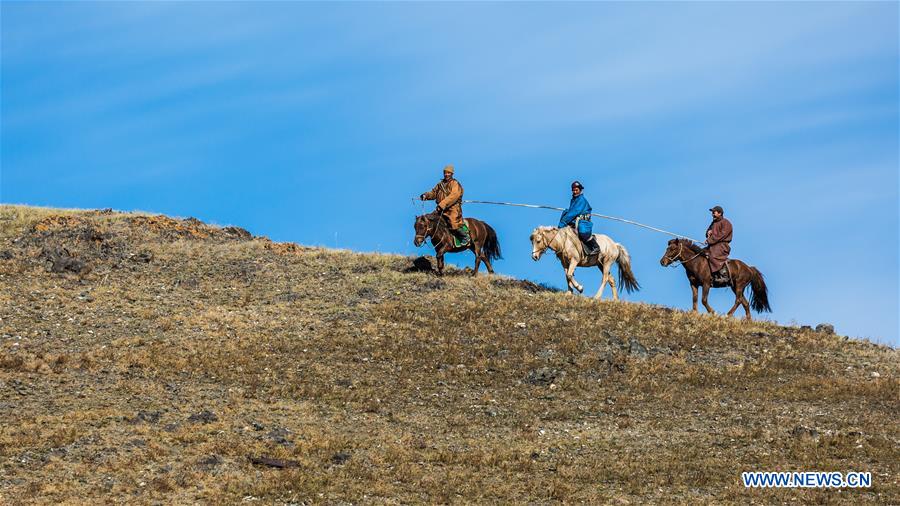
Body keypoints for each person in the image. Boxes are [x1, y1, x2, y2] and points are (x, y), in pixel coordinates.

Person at [420, 164, 469, 247]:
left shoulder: (455, 184)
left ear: (452, 174)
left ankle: (465, 237)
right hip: (441, 208)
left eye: (448, 173)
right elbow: (433, 193)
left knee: (453, 222)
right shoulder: (440, 184)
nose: (446, 174)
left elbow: (454, 196)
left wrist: (442, 205)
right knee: (430, 220)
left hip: (453, 208)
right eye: (445, 173)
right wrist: (426, 195)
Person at [558, 180, 599, 255]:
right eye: (573, 190)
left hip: (583, 223)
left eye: (576, 190)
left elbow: (574, 212)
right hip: (574, 221)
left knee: (583, 234)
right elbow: (571, 212)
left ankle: (595, 247)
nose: (575, 192)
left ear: (580, 190)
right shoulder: (573, 200)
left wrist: (563, 222)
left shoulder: (581, 200)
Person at [706, 205, 733, 284]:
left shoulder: (726, 223)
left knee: (712, 255)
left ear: (720, 213)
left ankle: (723, 274)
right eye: (712, 213)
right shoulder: (713, 223)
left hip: (722, 245)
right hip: (713, 244)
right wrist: (708, 232)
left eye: (714, 213)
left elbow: (721, 235)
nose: (712, 214)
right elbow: (708, 232)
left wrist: (710, 240)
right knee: (701, 253)